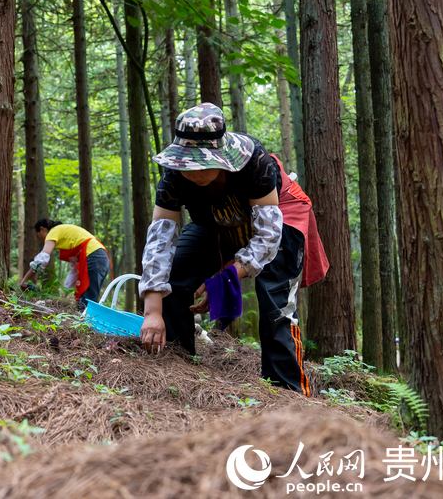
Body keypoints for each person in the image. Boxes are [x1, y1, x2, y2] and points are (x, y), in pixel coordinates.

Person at [138, 103, 329, 395]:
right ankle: (176, 362)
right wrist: (152, 311)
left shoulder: (256, 162)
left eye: (203, 162)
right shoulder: (172, 176)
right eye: (188, 163)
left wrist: (229, 274)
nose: (195, 170)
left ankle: (287, 391)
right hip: (214, 222)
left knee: (273, 297)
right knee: (178, 269)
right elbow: (159, 240)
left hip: (279, 215)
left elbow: (267, 236)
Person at [20, 219, 111, 311]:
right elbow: (74, 271)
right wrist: (65, 292)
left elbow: (40, 261)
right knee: (87, 298)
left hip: (94, 257)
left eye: (39, 235)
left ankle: (87, 323)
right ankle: (86, 322)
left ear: (42, 229)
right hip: (101, 258)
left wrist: (23, 281)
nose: (40, 239)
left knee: (88, 300)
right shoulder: (67, 236)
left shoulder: (53, 232)